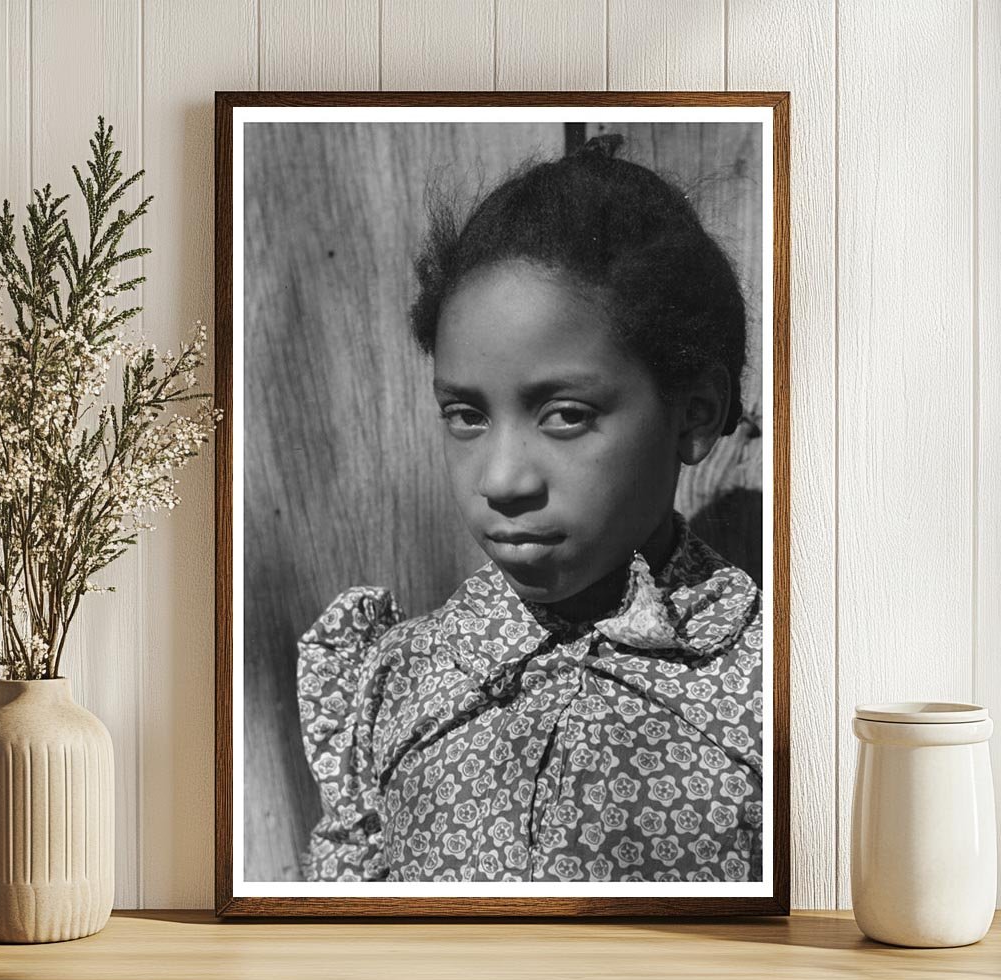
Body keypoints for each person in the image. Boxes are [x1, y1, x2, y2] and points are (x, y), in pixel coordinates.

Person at [296, 134, 763, 883]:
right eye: (466, 415)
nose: (504, 479)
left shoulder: (769, 694)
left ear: (695, 414)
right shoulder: (400, 677)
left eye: (567, 414)